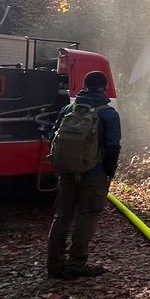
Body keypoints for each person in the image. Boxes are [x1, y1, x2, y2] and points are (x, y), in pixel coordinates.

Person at [46, 71, 121, 279]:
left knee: (62, 216)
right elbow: (113, 146)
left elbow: (53, 136)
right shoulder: (109, 114)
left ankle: (54, 265)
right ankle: (76, 265)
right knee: (87, 215)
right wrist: (109, 172)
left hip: (66, 171)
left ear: (84, 86)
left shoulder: (69, 108)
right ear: (104, 88)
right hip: (94, 172)